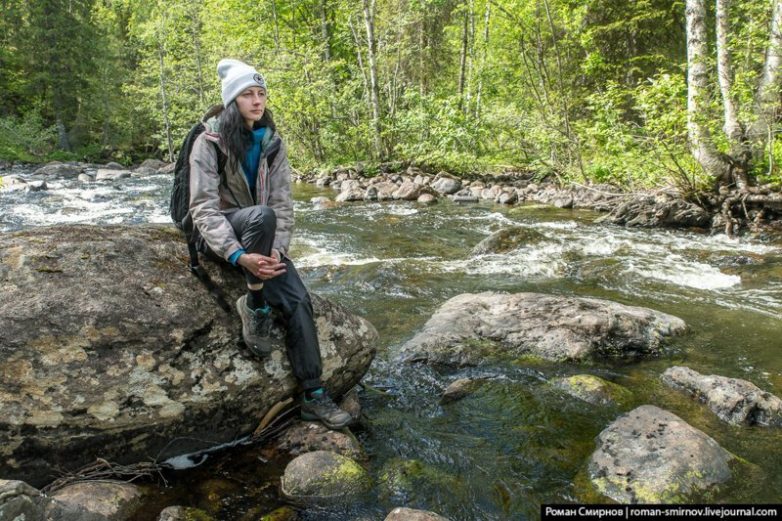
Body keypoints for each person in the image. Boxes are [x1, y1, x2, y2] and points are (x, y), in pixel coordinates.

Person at [188, 58, 352, 430]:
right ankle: (256, 306)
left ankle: (314, 394)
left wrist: (276, 250)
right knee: (260, 215)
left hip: (264, 235)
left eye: (261, 93)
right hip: (225, 237)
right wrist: (239, 256)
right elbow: (202, 208)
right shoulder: (207, 142)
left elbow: (283, 204)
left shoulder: (272, 144)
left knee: (297, 300)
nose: (257, 100)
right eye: (248, 94)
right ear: (233, 101)